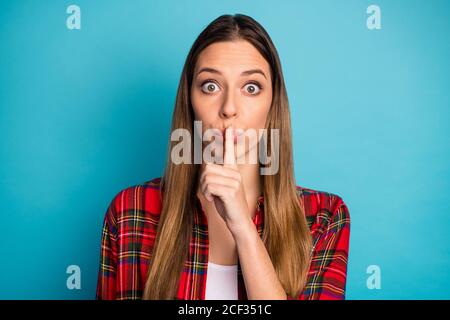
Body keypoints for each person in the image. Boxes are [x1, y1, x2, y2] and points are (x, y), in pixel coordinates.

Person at [96, 13, 350, 300]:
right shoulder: (130, 212)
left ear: (272, 104)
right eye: (211, 86)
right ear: (190, 101)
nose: (229, 108)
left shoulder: (324, 216)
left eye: (251, 87)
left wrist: (243, 226)